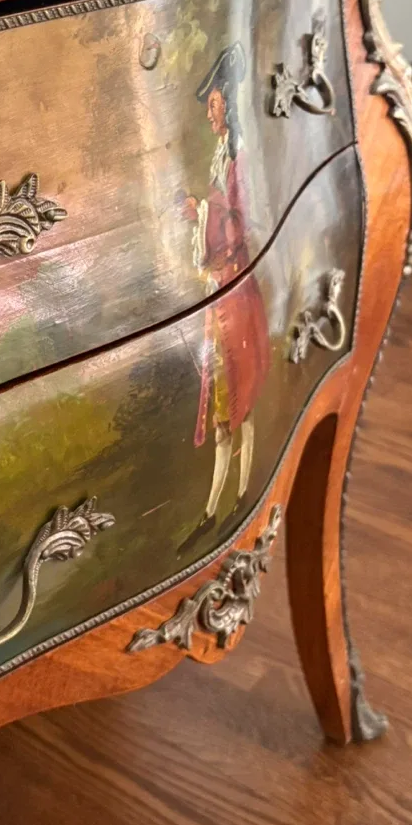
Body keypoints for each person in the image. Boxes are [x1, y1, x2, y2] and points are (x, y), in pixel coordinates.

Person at [180, 42, 271, 529]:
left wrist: (204, 213)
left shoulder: (239, 161)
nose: (210, 116)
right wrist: (201, 211)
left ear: (230, 105)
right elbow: (225, 219)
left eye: (214, 106)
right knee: (234, 401)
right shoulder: (224, 156)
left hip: (234, 294)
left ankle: (225, 506)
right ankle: (224, 506)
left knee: (236, 402)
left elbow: (237, 223)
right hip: (229, 290)